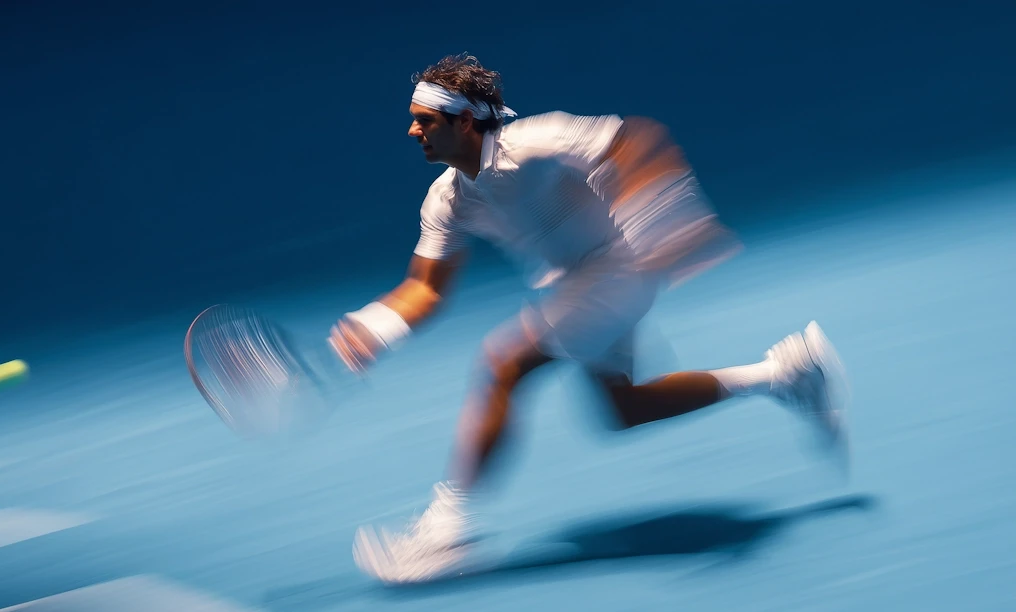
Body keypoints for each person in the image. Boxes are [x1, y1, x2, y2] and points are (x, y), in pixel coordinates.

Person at [328, 54, 848, 584]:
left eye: (426, 119)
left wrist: (662, 225)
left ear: (463, 121)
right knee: (625, 407)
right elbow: (425, 289)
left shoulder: (535, 142)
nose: (412, 129)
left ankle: (448, 532)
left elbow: (634, 140)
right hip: (574, 283)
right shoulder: (447, 199)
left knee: (505, 364)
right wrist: (375, 325)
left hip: (621, 266)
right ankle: (785, 374)